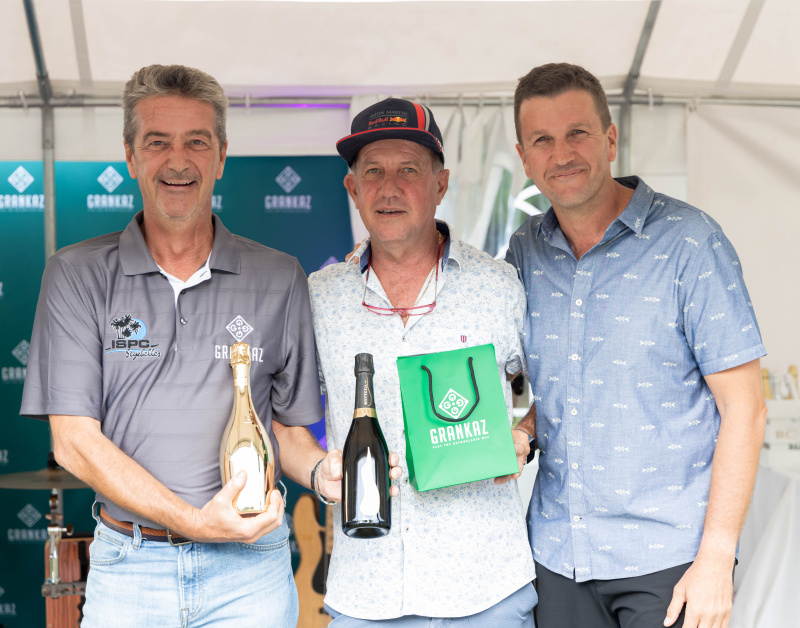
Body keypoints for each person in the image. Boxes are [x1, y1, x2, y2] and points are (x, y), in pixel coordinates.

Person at [19, 64, 354, 628]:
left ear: (221, 155)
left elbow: (287, 433)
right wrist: (195, 523)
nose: (178, 161)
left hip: (250, 572)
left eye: (196, 141)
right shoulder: (75, 274)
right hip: (130, 569)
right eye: (158, 142)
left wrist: (323, 472)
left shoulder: (280, 277)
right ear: (130, 156)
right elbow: (74, 442)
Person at [506, 63, 768, 628]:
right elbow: (541, 382)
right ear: (524, 158)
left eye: (577, 133)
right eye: (542, 140)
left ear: (610, 139)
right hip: (557, 554)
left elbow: (746, 408)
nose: (561, 154)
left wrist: (717, 558)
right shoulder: (526, 248)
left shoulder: (691, 242)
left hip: (670, 561)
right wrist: (525, 430)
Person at [308, 98, 537, 626]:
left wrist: (522, 433)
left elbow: (526, 387)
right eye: (373, 172)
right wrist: (318, 469)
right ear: (352, 189)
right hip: (366, 593)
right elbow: (285, 412)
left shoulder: (497, 286)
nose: (389, 188)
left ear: (441, 184)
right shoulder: (320, 297)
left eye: (408, 170)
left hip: (487, 590)